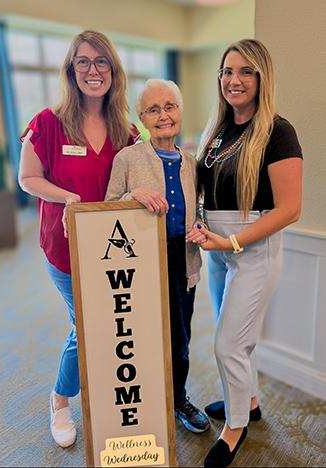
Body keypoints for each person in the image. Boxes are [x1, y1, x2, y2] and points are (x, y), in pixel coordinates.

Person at [18, 30, 139, 448]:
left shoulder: (126, 129)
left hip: (114, 250)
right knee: (86, 324)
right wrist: (67, 196)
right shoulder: (48, 123)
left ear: (113, 70)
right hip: (65, 247)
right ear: (71, 70)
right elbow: (27, 178)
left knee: (108, 322)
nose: (93, 70)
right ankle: (60, 400)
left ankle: (95, 393)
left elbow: (134, 180)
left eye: (101, 61)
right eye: (83, 61)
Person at [186, 39, 303, 467]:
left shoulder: (277, 131)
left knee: (226, 345)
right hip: (218, 250)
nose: (233, 80)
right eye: (227, 71)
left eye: (245, 72)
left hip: (252, 250)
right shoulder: (217, 130)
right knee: (239, 337)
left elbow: (290, 208)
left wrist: (232, 240)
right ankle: (249, 401)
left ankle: (235, 427)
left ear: (261, 78)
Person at [105, 78, 210, 434]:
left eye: (170, 107)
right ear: (142, 117)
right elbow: (105, 210)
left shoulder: (193, 162)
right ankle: (145, 403)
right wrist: (132, 194)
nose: (163, 115)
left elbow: (200, 209)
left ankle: (177, 398)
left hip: (184, 260)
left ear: (180, 111)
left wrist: (201, 226)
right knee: (140, 337)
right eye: (154, 109)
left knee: (180, 339)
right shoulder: (128, 159)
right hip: (140, 264)